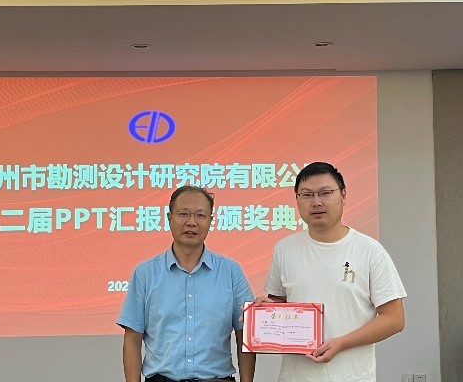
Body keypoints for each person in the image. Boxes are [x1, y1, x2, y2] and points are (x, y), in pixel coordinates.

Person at [261, 161, 406, 381]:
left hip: (352, 377)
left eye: (325, 193)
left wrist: (341, 343)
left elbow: (394, 319)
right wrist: (265, 311)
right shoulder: (284, 249)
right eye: (307, 195)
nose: (316, 202)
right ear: (297, 200)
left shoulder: (369, 250)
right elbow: (281, 304)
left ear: (343, 195)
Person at [117, 185, 256, 382]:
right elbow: (132, 339)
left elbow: (245, 334)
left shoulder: (231, 272)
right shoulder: (145, 273)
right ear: (169, 218)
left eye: (200, 215)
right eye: (183, 214)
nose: (192, 222)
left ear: (210, 221)